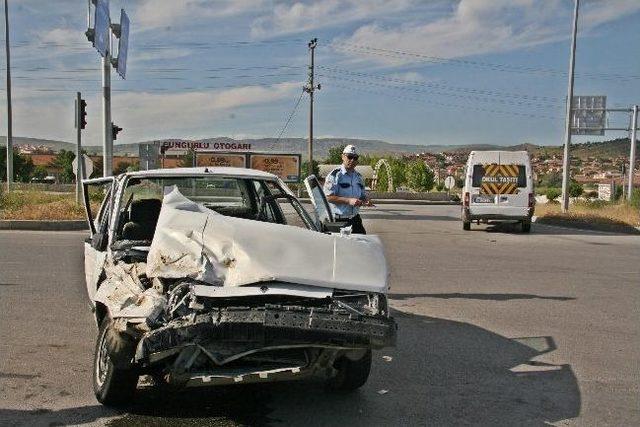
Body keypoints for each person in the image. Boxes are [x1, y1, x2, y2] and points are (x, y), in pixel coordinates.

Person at [323, 144, 373, 234]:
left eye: (355, 158)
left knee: (362, 244)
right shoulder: (335, 175)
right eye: (349, 157)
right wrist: (348, 201)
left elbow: (362, 195)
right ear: (343, 157)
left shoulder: (359, 177)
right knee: (343, 247)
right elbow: (328, 197)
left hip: (355, 219)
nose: (352, 160)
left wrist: (366, 200)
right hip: (340, 221)